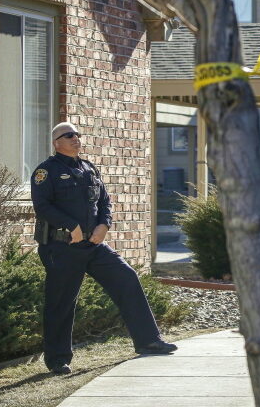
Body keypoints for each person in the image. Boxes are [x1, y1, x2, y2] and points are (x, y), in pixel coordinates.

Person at [31, 122, 177, 375]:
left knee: (127, 278)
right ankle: (57, 360)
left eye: (77, 134)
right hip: (61, 247)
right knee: (61, 302)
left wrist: (104, 226)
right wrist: (71, 226)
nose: (76, 138)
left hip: (94, 245)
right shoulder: (46, 171)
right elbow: (42, 206)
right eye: (69, 135)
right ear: (57, 143)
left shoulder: (89, 168)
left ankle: (148, 341)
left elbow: (104, 201)